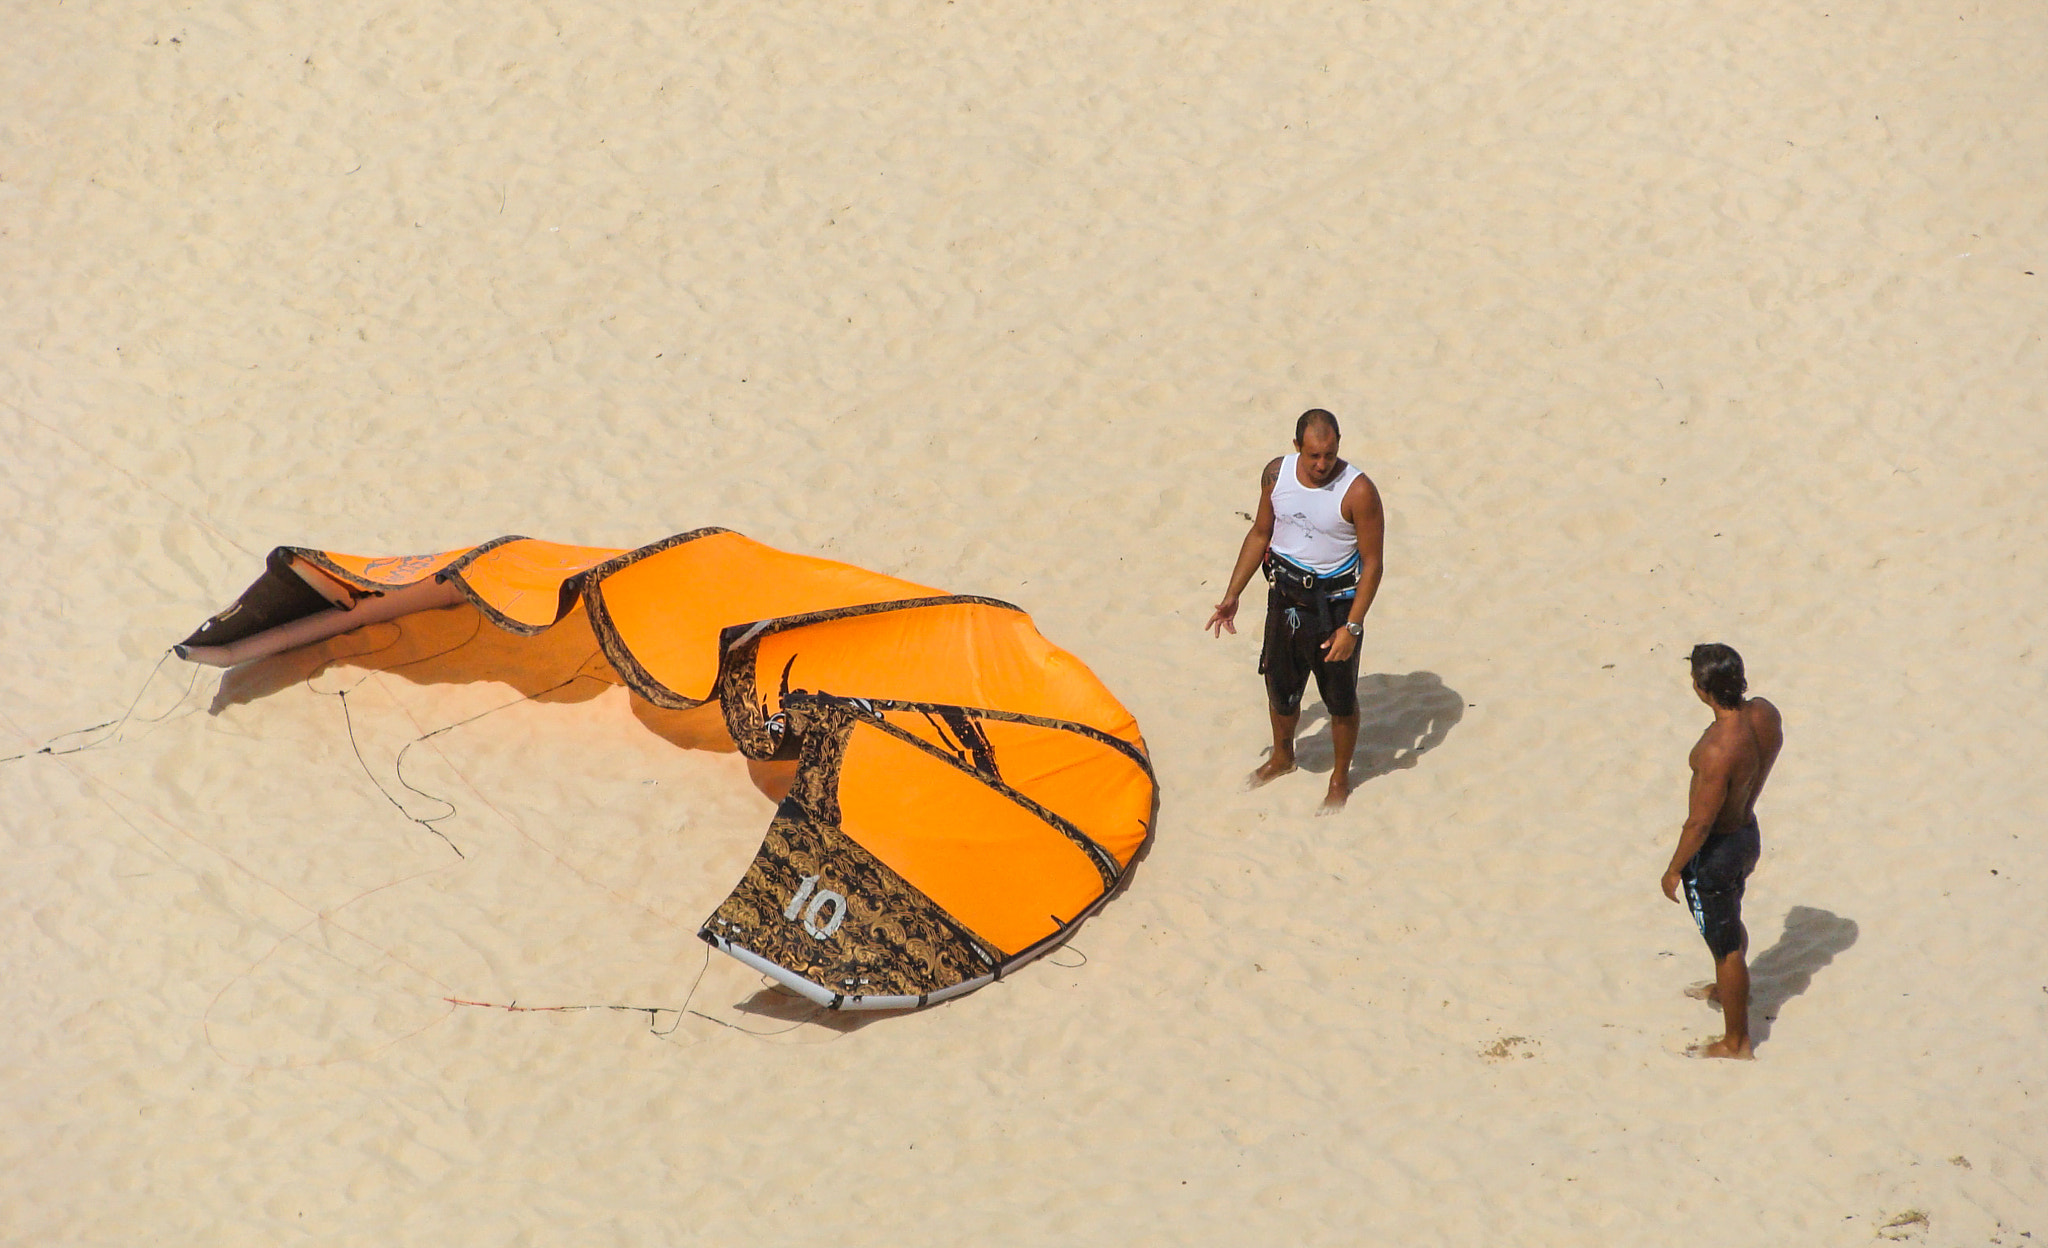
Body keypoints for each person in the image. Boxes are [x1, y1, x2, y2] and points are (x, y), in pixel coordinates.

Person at [1205, 409, 1385, 813]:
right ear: (1296, 448)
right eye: (1313, 456)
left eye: (1330, 454)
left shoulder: (1358, 492)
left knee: (1340, 698)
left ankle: (1340, 778)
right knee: (1279, 686)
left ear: (1339, 442)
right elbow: (1260, 532)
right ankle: (1283, 757)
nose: (1322, 464)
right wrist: (1233, 593)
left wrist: (1352, 627)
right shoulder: (1276, 475)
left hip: (1334, 607)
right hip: (1284, 598)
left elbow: (1372, 563)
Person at [1661, 643, 1783, 1059]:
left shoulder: (1716, 749)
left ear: (1701, 688)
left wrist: (1674, 869)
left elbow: (1699, 823)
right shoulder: (1766, 714)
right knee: (1731, 920)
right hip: (1748, 834)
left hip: (1717, 852)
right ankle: (1728, 988)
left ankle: (1737, 1042)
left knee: (1724, 943)